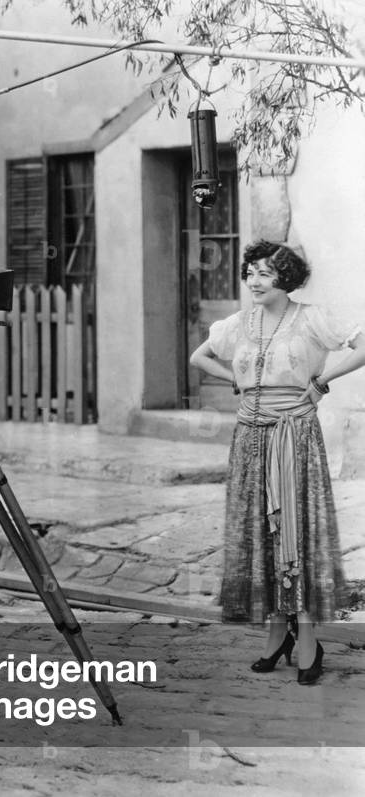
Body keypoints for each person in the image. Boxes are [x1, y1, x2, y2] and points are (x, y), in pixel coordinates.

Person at [190, 240, 365, 685]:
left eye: (265, 273)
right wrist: (238, 381)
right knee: (259, 533)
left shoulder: (311, 318)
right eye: (250, 272)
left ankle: (306, 637)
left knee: (294, 531)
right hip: (249, 437)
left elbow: (362, 345)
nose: (254, 281)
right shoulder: (239, 323)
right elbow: (200, 357)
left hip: (294, 435)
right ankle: (274, 633)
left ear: (286, 278)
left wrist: (322, 382)